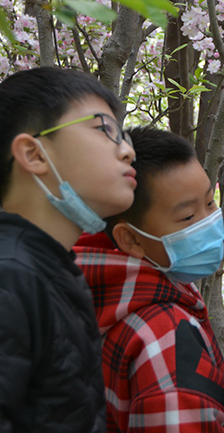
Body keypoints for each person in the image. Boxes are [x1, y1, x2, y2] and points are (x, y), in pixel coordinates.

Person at [74, 126, 224, 433]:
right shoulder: (164, 334)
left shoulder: (81, 292)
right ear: (131, 240)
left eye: (209, 202)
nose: (209, 223)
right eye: (188, 218)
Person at [0, 67, 138, 432]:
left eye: (123, 135)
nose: (127, 151)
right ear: (34, 154)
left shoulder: (49, 270)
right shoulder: (10, 276)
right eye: (103, 129)